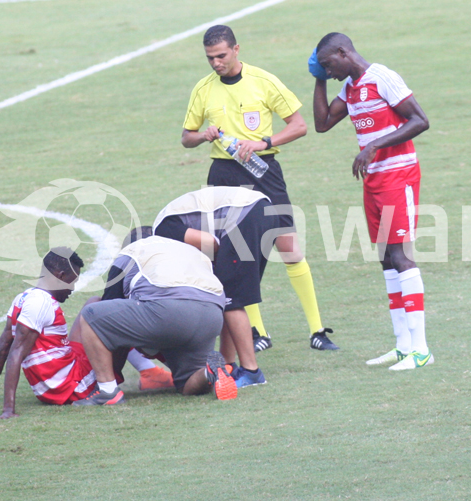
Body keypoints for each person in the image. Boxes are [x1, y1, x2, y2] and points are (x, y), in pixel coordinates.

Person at [180, 24, 338, 352]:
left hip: (264, 170)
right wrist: (202, 136)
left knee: (288, 247)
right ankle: (256, 332)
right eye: (210, 57)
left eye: (221, 55)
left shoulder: (263, 82)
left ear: (237, 49)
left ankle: (317, 330)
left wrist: (264, 141)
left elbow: (299, 126)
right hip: (223, 175)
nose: (215, 63)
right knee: (234, 256)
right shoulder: (203, 89)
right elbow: (186, 137)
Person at [310, 32, 434, 370]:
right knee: (385, 260)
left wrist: (372, 146)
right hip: (374, 183)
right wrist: (318, 81)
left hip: (399, 176)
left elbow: (420, 120)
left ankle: (421, 350)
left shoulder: (382, 77)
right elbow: (321, 124)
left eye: (328, 65)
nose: (329, 71)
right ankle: (402, 346)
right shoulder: (349, 89)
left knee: (402, 256)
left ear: (343, 51)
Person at [72, 232, 237, 405]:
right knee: (187, 383)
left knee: (92, 316)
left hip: (168, 311)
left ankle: (107, 392)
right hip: (213, 314)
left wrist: (113, 371)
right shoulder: (186, 250)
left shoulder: (130, 252)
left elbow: (108, 316)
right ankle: (209, 371)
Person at [153, 186, 278, 388]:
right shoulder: (167, 221)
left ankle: (252, 372)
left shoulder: (163, 231)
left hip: (245, 215)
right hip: (263, 212)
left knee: (231, 300)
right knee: (228, 296)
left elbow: (210, 243)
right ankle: (228, 365)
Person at [0, 248, 96, 419]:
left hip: (64, 372)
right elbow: (15, 352)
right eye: (72, 281)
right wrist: (8, 410)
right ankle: (112, 387)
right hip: (70, 386)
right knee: (111, 316)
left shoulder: (23, 298)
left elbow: (2, 349)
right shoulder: (41, 304)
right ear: (60, 276)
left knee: (93, 304)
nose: (73, 288)